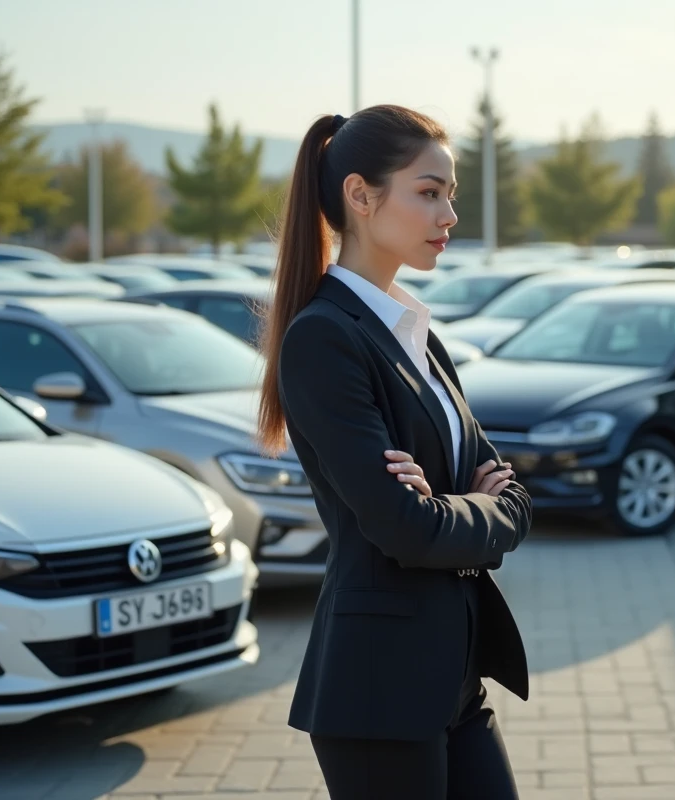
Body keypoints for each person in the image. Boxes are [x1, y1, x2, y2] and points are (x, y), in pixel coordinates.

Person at [256, 105, 533, 799]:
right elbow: (402, 528)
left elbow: (515, 499)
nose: (449, 215)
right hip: (379, 693)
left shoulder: (418, 333)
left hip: (455, 680)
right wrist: (471, 507)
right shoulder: (324, 338)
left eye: (451, 195)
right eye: (429, 191)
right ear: (360, 194)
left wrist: (452, 507)